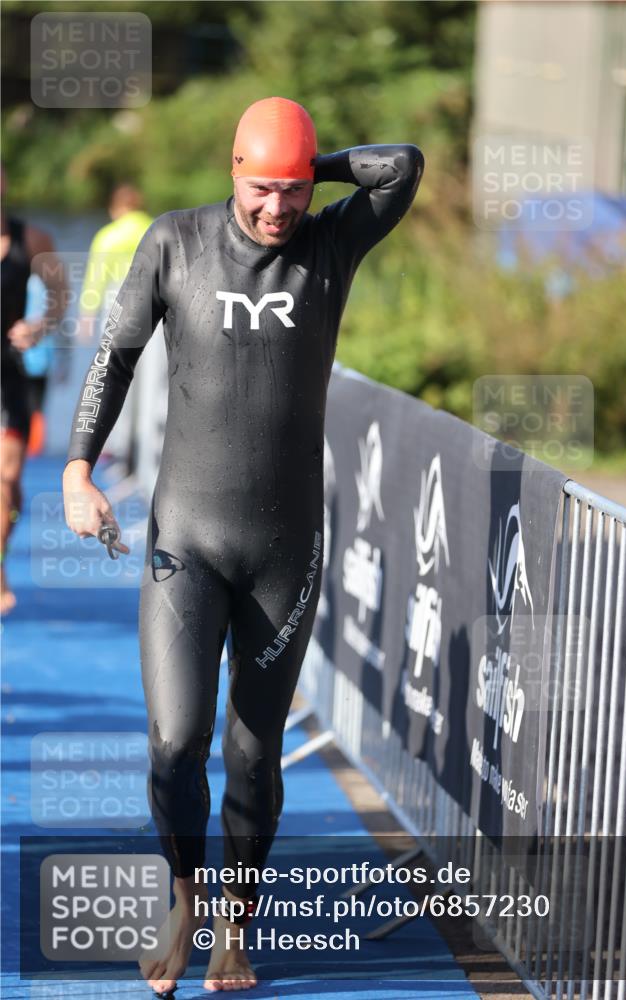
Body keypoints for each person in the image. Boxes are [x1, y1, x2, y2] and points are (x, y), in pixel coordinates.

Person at [62, 97, 423, 994]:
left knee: (254, 752)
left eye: (292, 191)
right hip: (186, 537)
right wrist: (76, 469)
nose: (277, 209)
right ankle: (186, 899)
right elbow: (113, 358)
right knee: (176, 740)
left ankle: (235, 928)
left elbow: (404, 164)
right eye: (262, 188)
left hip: (284, 547)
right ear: (231, 172)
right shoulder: (174, 243)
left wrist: (313, 165)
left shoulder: (330, 246)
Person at [1, 165, 68, 614]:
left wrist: (39, 326)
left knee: (7, 480)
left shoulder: (33, 240)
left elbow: (60, 292)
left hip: (9, 374)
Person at [78, 183, 153, 469]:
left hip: (117, 307)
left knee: (114, 376)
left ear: (115, 208)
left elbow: (95, 280)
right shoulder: (153, 229)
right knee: (149, 385)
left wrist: (87, 315)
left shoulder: (108, 236)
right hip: (152, 308)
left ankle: (116, 446)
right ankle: (144, 448)